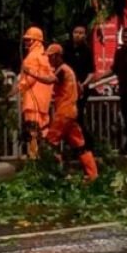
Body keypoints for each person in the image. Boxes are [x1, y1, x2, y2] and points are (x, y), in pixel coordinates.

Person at [46, 44, 99, 182]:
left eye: (50, 56)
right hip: (72, 111)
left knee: (51, 141)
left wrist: (30, 72)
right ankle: (93, 175)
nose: (48, 59)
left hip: (64, 112)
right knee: (79, 143)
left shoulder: (62, 70)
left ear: (57, 56)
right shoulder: (69, 71)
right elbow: (79, 90)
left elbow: (49, 80)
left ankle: (57, 174)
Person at [11, 26, 55, 159]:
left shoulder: (32, 57)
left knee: (32, 131)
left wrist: (16, 89)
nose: (26, 43)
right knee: (43, 129)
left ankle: (34, 158)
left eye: (28, 40)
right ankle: (46, 157)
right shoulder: (45, 56)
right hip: (44, 101)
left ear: (35, 41)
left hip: (32, 100)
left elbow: (29, 79)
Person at [64, 25, 97, 123]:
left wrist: (83, 84)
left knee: (78, 116)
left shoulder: (87, 51)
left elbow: (91, 72)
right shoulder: (66, 48)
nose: (78, 35)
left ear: (85, 35)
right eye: (75, 32)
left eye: (81, 33)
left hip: (81, 89)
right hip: (67, 88)